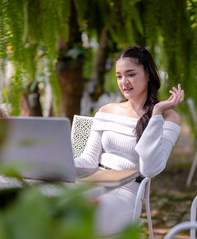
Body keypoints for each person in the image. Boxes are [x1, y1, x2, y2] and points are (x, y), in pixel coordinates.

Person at [74, 46, 184, 236]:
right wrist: (59, 163)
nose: (124, 82)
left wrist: (156, 114)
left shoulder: (168, 117)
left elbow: (150, 169)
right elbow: (87, 161)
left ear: (148, 74)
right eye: (119, 76)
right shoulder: (106, 110)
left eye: (131, 74)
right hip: (91, 184)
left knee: (78, 216)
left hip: (125, 193)